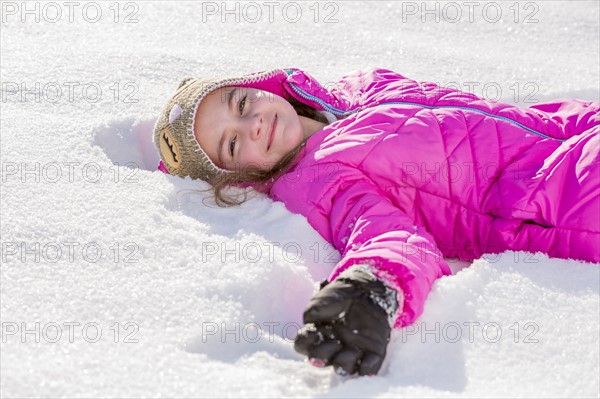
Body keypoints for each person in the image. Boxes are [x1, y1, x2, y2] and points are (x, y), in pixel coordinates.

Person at [152, 67, 599, 376]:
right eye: (231, 144)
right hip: (562, 197)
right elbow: (388, 234)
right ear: (240, 177)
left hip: (577, 125)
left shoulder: (362, 86)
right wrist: (372, 285)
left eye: (241, 101)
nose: (251, 122)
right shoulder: (315, 181)